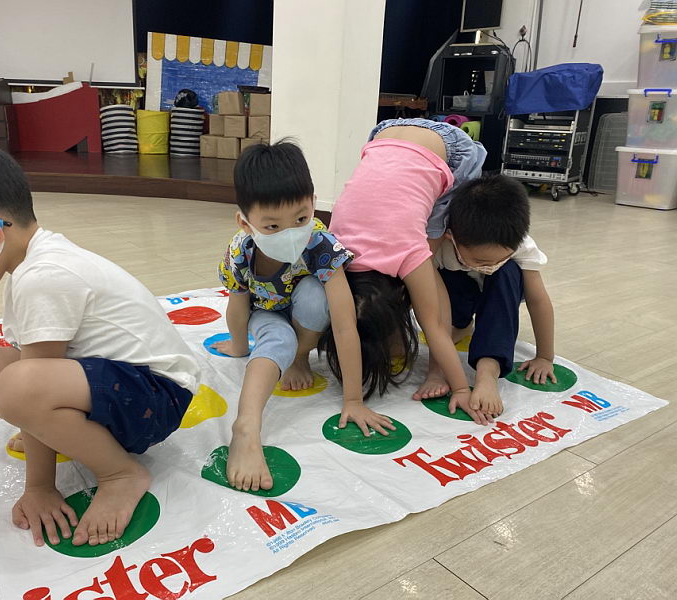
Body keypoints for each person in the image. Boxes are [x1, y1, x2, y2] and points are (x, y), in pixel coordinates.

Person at [0, 138, 200, 548]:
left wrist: (39, 486)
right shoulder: (30, 262)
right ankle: (71, 432)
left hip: (157, 399)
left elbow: (29, 382)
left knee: (18, 387)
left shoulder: (45, 276)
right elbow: (31, 371)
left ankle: (120, 473)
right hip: (117, 385)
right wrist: (39, 422)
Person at [214, 141, 394, 493]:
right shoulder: (240, 250)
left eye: (300, 218)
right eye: (272, 226)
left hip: (306, 316)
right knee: (277, 339)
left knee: (314, 295)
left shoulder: (321, 244)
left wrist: (353, 400)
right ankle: (246, 427)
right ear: (245, 223)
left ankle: (298, 360)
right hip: (266, 314)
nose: (291, 232)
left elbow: (343, 322)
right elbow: (238, 305)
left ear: (313, 202)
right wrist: (238, 346)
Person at [326, 118, 491, 424]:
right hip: (384, 135)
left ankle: (437, 370)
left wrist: (460, 388)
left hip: (453, 151)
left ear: (404, 297)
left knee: (433, 241)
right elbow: (344, 326)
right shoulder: (333, 252)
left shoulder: (409, 254)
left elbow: (434, 326)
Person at [435, 174, 555, 416]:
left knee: (507, 272)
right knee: (434, 278)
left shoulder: (519, 245)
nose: (489, 266)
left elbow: (538, 300)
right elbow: (426, 301)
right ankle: (462, 325)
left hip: (497, 297)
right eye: (481, 261)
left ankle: (487, 372)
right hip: (456, 295)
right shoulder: (438, 244)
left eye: (500, 257)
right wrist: (436, 371)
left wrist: (545, 356)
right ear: (452, 237)